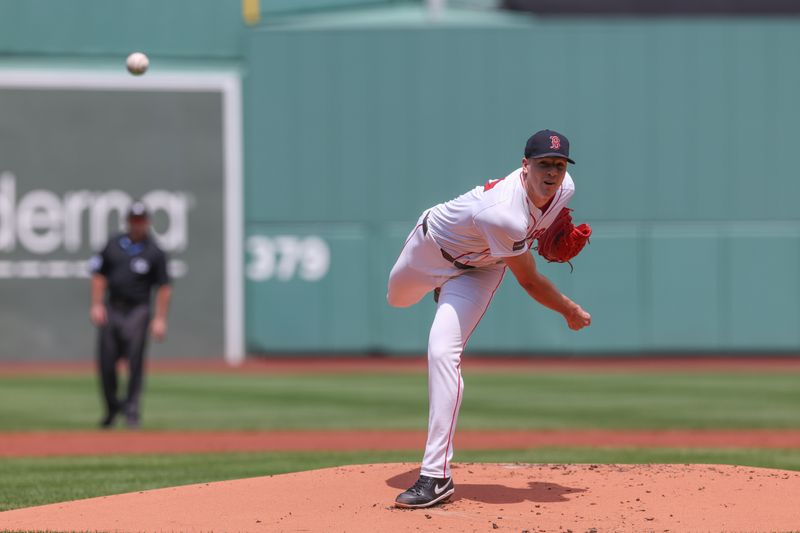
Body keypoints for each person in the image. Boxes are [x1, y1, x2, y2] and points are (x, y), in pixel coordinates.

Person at [387, 129, 592, 509]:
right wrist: (569, 309)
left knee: (442, 353)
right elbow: (529, 281)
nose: (552, 173)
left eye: (559, 165)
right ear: (525, 165)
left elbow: (538, 229)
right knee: (397, 300)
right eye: (544, 164)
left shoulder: (565, 190)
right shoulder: (503, 213)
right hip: (431, 249)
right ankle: (439, 288)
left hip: (481, 270)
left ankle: (436, 476)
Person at [89, 202, 172, 429]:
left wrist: (160, 319)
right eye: (134, 219)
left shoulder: (154, 251)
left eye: (141, 220)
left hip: (138, 309)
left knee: (135, 361)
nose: (137, 224)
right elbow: (98, 274)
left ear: (147, 222)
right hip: (112, 308)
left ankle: (132, 410)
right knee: (106, 362)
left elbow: (164, 286)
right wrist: (96, 304)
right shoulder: (113, 245)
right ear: (128, 221)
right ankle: (112, 407)